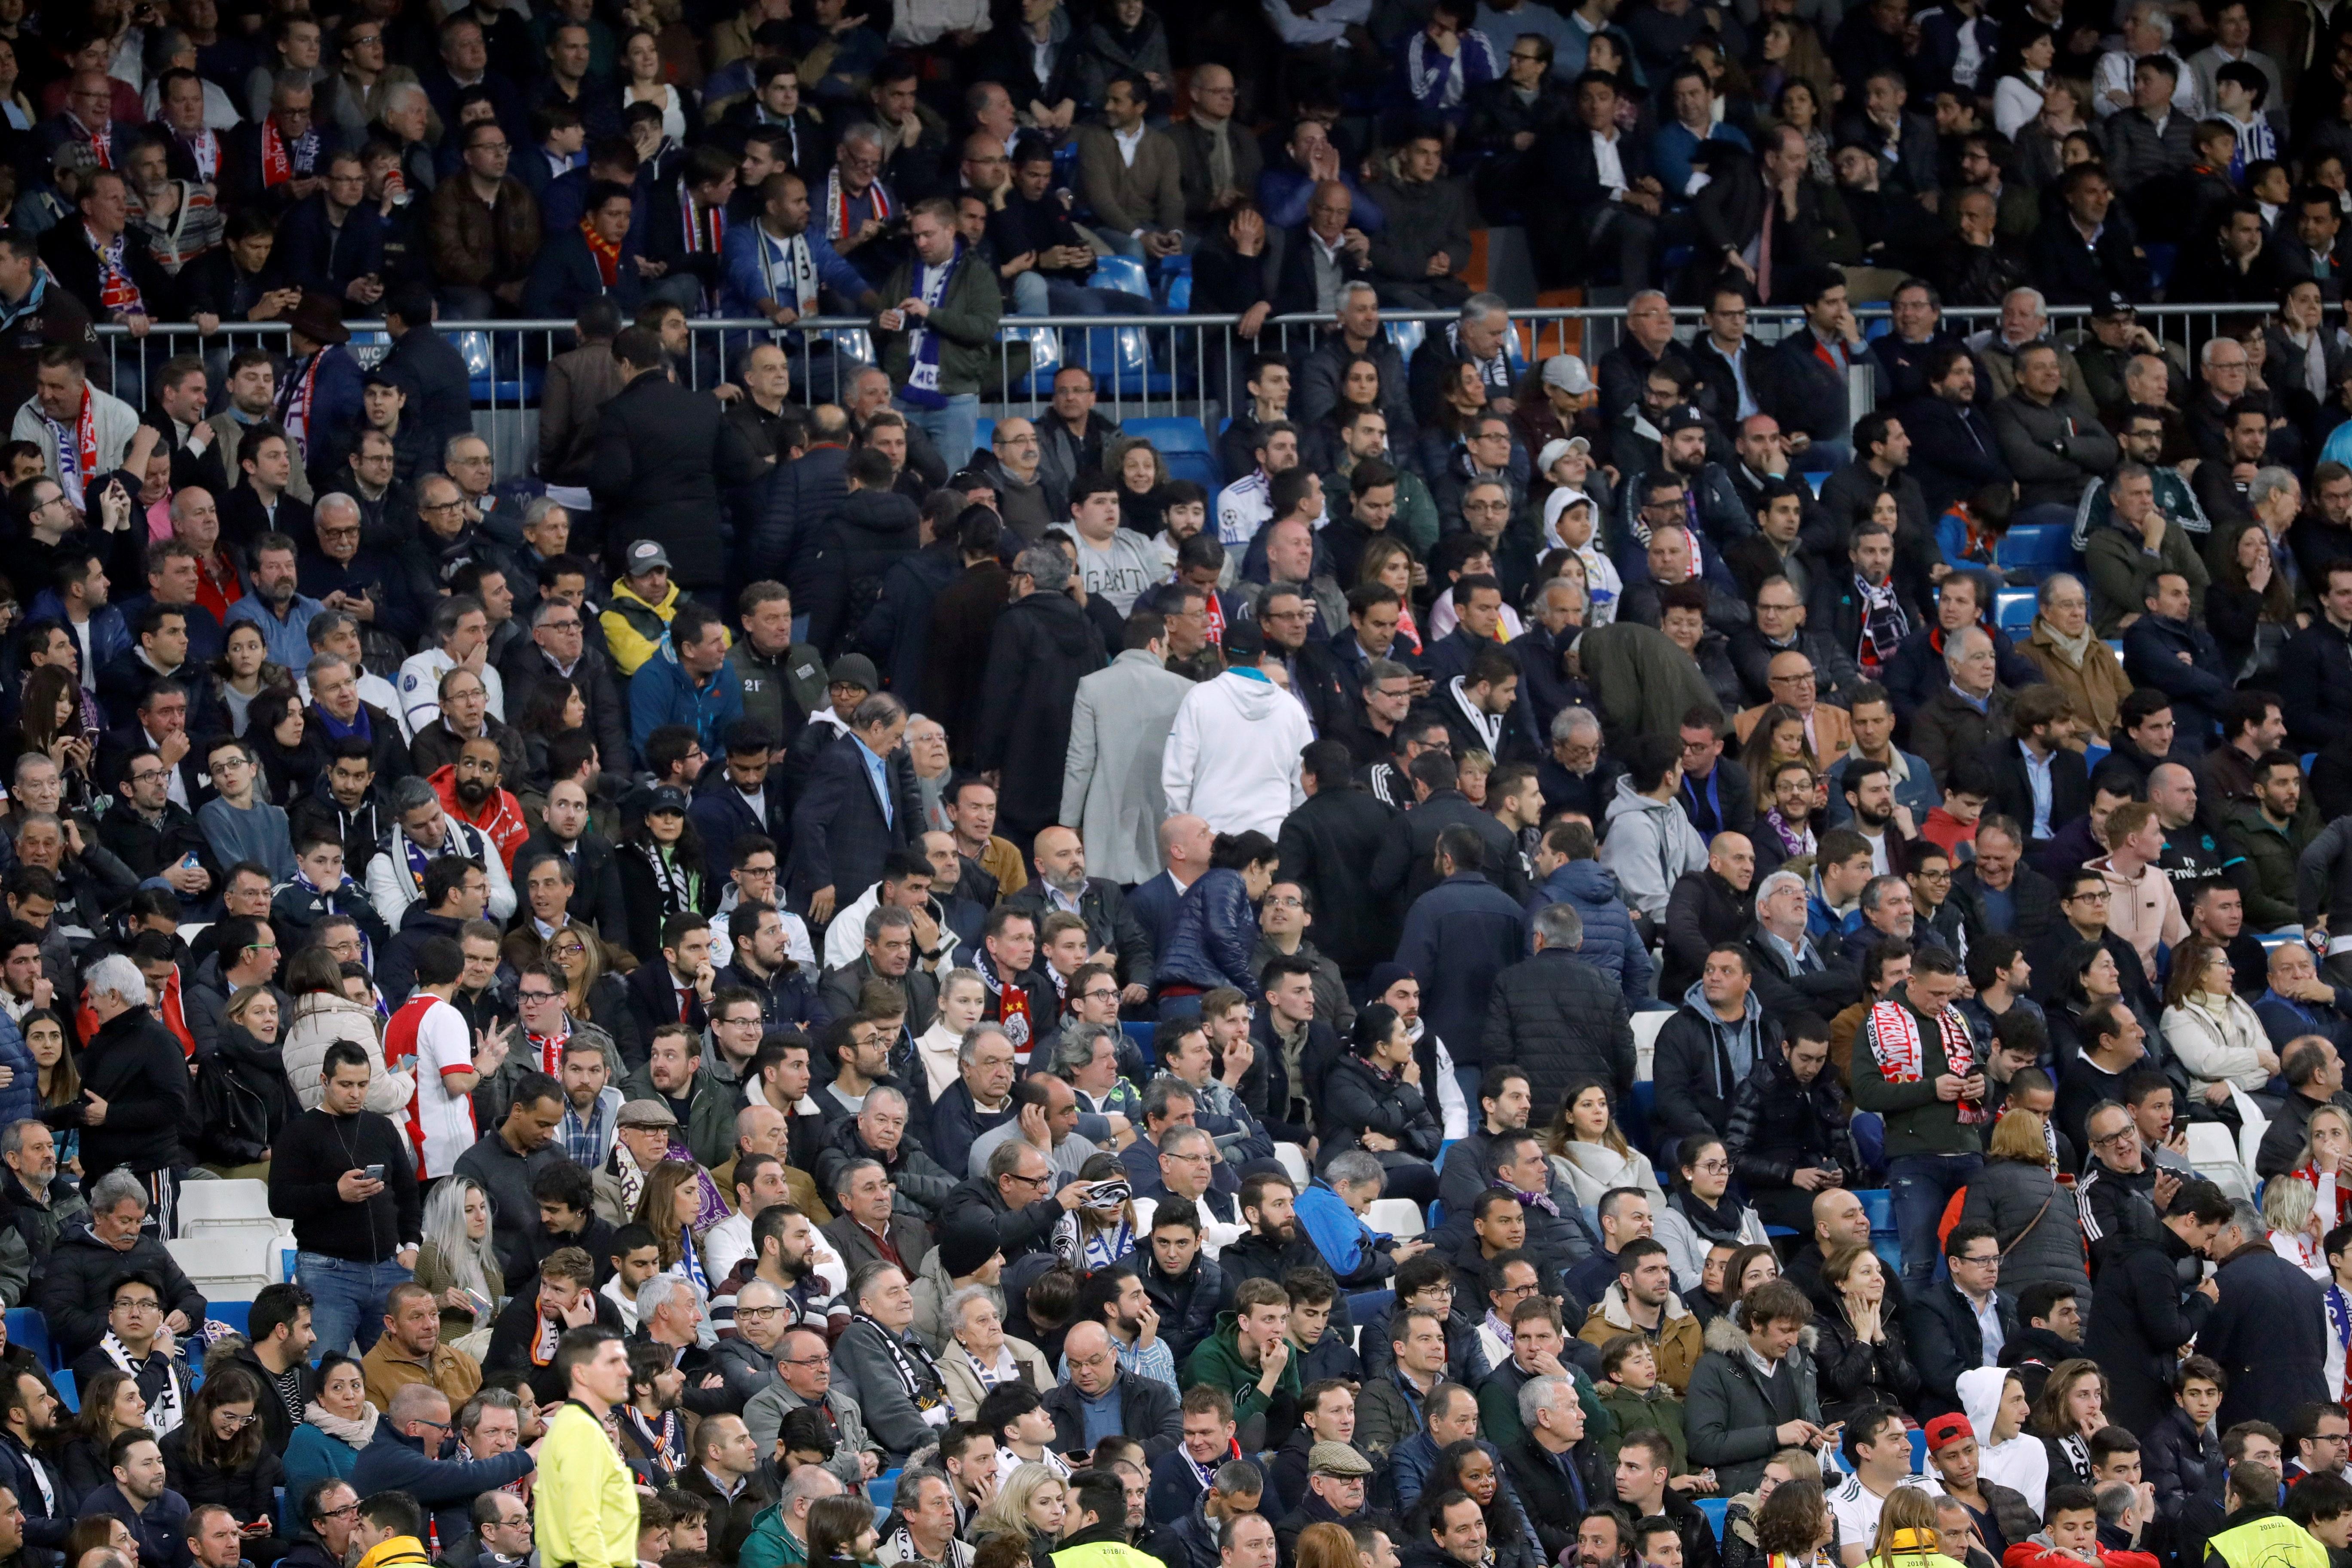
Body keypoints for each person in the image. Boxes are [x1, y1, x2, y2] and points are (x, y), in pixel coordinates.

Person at [535, 1327, 639, 1568]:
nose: (627, 1371)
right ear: (581, 1374)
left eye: (625, 1361)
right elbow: (583, 1524)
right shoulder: (582, 1431)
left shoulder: (569, 1423)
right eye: (613, 1362)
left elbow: (544, 1520)